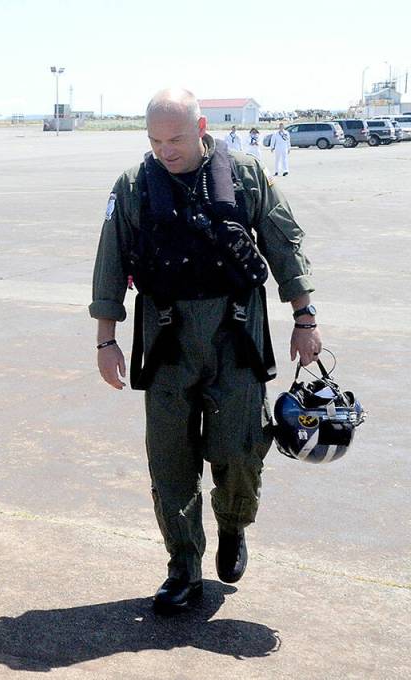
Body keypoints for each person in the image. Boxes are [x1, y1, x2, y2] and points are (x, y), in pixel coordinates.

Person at [90, 88, 321, 614]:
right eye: (153, 141)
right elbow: (109, 262)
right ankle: (183, 567)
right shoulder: (132, 187)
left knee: (240, 451)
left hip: (235, 340)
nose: (163, 151)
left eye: (173, 139)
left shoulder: (243, 174)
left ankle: (233, 523)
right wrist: (106, 339)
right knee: (170, 462)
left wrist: (305, 317)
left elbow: (285, 244)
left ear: (199, 130)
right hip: (167, 345)